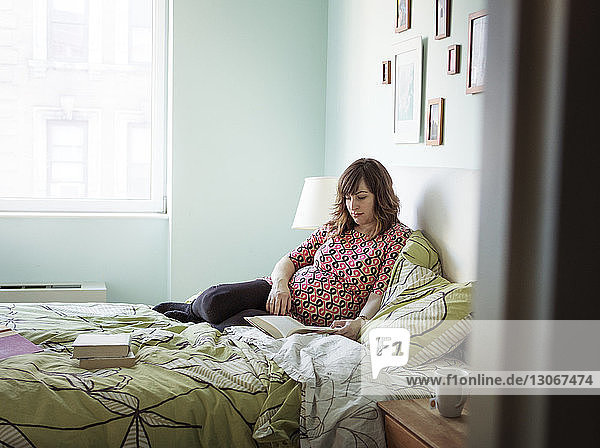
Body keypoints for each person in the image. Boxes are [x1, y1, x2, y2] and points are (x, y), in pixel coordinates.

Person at [153, 158, 412, 340]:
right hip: (279, 290)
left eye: (361, 197)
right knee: (213, 301)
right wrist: (280, 286)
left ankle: (192, 318)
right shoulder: (336, 227)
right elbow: (289, 260)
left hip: (300, 321)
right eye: (347, 197)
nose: (352, 205)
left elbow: (378, 294)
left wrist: (360, 322)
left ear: (381, 195)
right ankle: (189, 310)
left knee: (227, 325)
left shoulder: (395, 238)